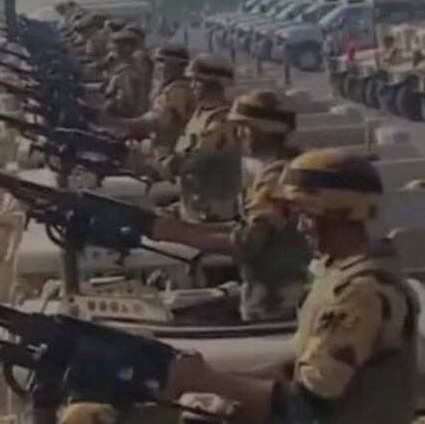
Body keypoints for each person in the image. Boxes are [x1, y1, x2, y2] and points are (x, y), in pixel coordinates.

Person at [159, 148, 419, 424]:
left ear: (334, 214)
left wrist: (206, 380)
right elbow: (298, 369)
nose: (300, 227)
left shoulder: (361, 292)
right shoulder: (338, 272)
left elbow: (309, 404)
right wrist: (217, 383)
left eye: (306, 215)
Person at [151, 90, 311, 322]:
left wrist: (179, 234)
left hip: (277, 302)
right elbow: (243, 227)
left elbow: (246, 244)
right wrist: (186, 227)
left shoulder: (276, 179)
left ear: (264, 130)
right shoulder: (281, 171)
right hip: (273, 296)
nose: (239, 134)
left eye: (245, 127)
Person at [153, 53, 241, 224]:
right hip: (193, 204)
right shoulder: (201, 114)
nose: (191, 86)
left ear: (214, 85)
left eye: (197, 81)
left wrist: (155, 165)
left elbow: (191, 161)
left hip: (213, 213)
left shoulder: (222, 121)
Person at [103, 44, 196, 158]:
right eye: (158, 61)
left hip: (167, 153)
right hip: (157, 145)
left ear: (179, 66)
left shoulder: (179, 91)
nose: (160, 67)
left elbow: (153, 123)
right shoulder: (168, 87)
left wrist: (117, 123)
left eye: (164, 62)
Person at [102, 30, 144, 120]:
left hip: (124, 119)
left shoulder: (127, 72)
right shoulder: (131, 66)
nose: (111, 54)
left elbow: (129, 102)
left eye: (114, 50)